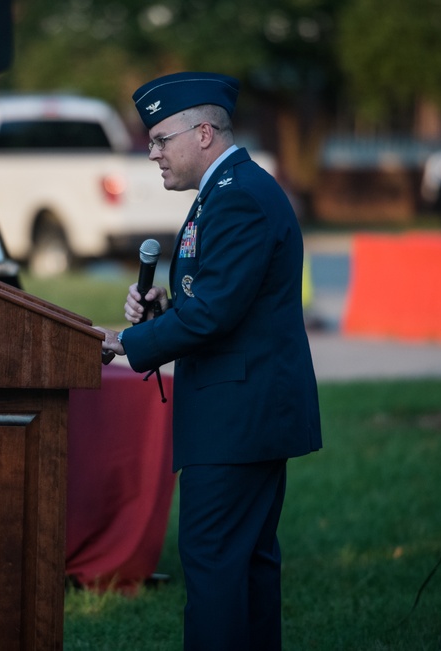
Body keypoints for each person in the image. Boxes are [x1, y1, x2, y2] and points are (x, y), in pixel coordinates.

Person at [97, 72, 322, 650]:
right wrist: (165, 309)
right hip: (242, 412)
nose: (152, 153)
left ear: (202, 133)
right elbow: (220, 302)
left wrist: (129, 341)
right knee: (243, 566)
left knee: (218, 569)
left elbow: (215, 315)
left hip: (237, 418)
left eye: (159, 139)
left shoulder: (239, 195)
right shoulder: (228, 190)